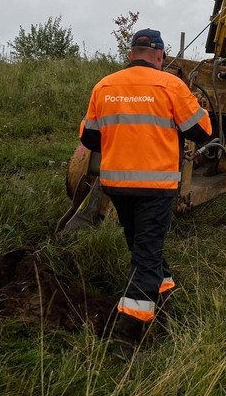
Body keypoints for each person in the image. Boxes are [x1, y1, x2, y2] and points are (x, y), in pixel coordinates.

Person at [79, 28, 212, 355]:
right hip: (155, 189)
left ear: (130, 54)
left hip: (117, 187)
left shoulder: (104, 86)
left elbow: (89, 139)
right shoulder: (171, 85)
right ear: (160, 56)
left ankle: (166, 302)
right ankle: (129, 334)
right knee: (147, 254)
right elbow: (203, 130)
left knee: (142, 248)